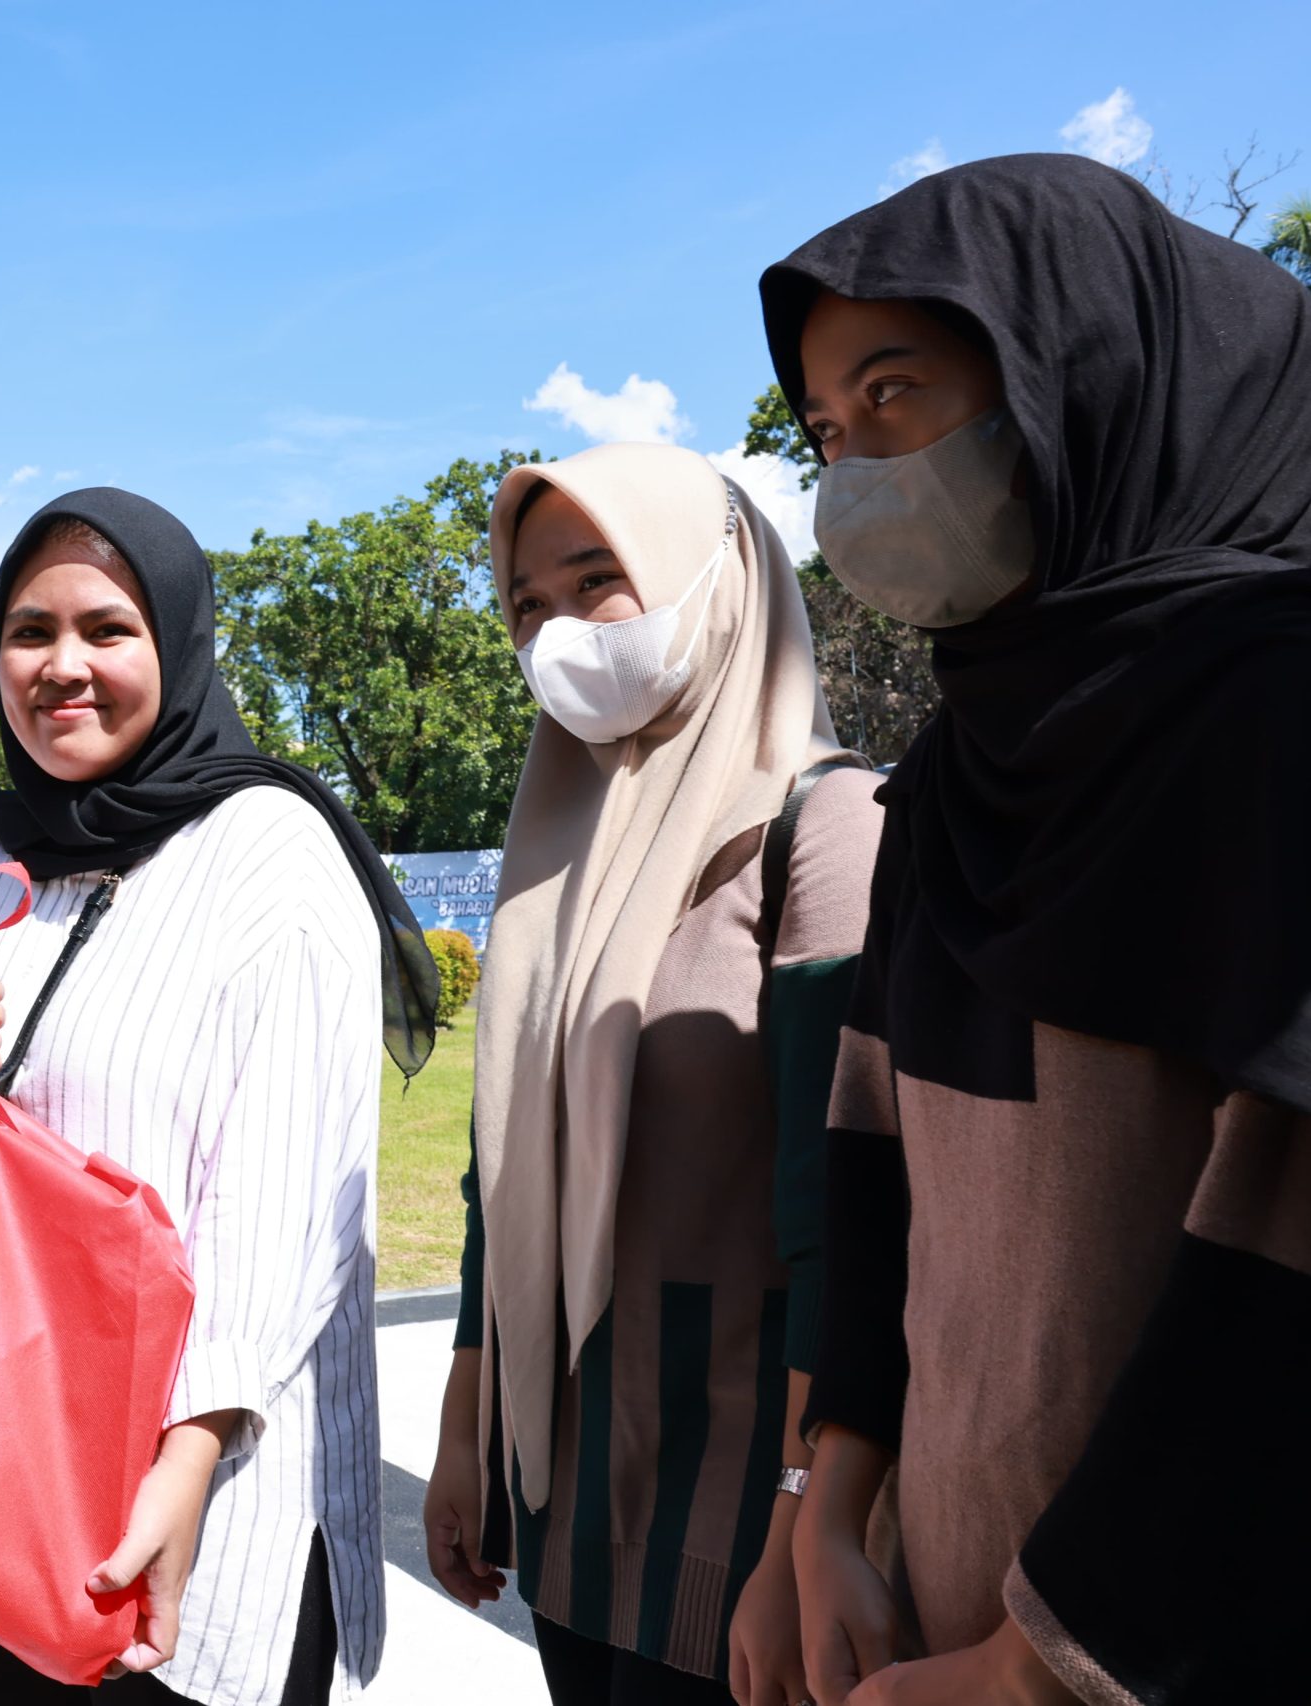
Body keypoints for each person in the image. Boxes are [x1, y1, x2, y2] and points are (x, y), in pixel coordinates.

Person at [759, 153, 1311, 1706]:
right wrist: (833, 1492)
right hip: (952, 1624)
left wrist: (1040, 1665)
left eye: (894, 394)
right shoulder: (965, 766)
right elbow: (875, 1144)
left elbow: (1307, 1247)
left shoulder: (1293, 720)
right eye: (826, 430)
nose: (853, 471)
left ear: (1077, 373)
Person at [0, 488, 439, 1706]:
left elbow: (285, 1197)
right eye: (28, 630)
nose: (61, 666)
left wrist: (186, 1457)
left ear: (179, 643)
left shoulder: (269, 848)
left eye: (107, 629)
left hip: (199, 1487)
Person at [415, 443, 884, 1706]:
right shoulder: (561, 853)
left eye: (595, 581)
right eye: (525, 604)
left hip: (741, 1498)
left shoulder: (819, 827)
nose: (557, 631)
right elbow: (494, 1173)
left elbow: (839, 1214)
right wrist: (465, 1431)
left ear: (714, 579)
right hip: (571, 1489)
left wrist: (801, 1522)